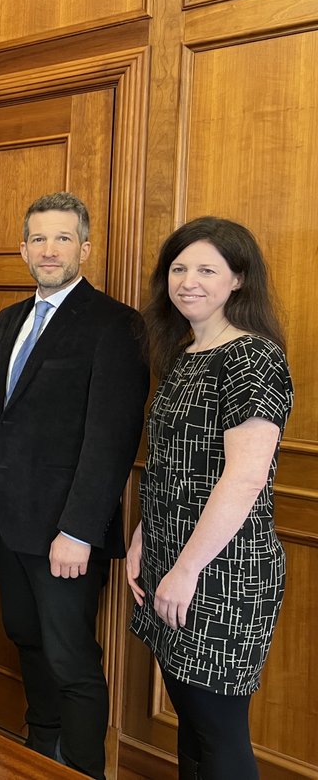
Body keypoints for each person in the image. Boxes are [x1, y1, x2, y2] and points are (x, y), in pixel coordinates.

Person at [0, 191, 148, 778]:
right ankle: (40, 756)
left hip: (66, 532)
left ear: (85, 247)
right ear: (23, 249)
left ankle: (83, 769)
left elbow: (111, 440)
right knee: (27, 641)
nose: (49, 250)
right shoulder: (8, 320)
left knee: (71, 658)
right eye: (39, 238)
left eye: (62, 238)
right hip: (11, 526)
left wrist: (78, 531)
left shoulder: (116, 324)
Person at [127, 217, 292, 780]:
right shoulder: (185, 351)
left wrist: (186, 569)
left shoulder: (252, 357)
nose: (188, 282)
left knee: (218, 733)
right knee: (193, 726)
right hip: (171, 559)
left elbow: (245, 478)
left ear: (238, 279)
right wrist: (144, 536)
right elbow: (173, 462)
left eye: (206, 269)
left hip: (222, 573)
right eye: (178, 269)